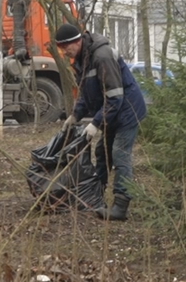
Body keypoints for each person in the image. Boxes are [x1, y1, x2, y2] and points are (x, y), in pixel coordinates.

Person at [53, 23, 145, 220]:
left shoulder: (102, 57)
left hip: (128, 110)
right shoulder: (82, 60)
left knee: (119, 155)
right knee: (102, 153)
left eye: (65, 47)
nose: (64, 52)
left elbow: (115, 96)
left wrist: (95, 123)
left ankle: (120, 206)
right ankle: (95, 197)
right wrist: (75, 115)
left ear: (77, 42)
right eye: (61, 48)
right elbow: (87, 93)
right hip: (112, 112)